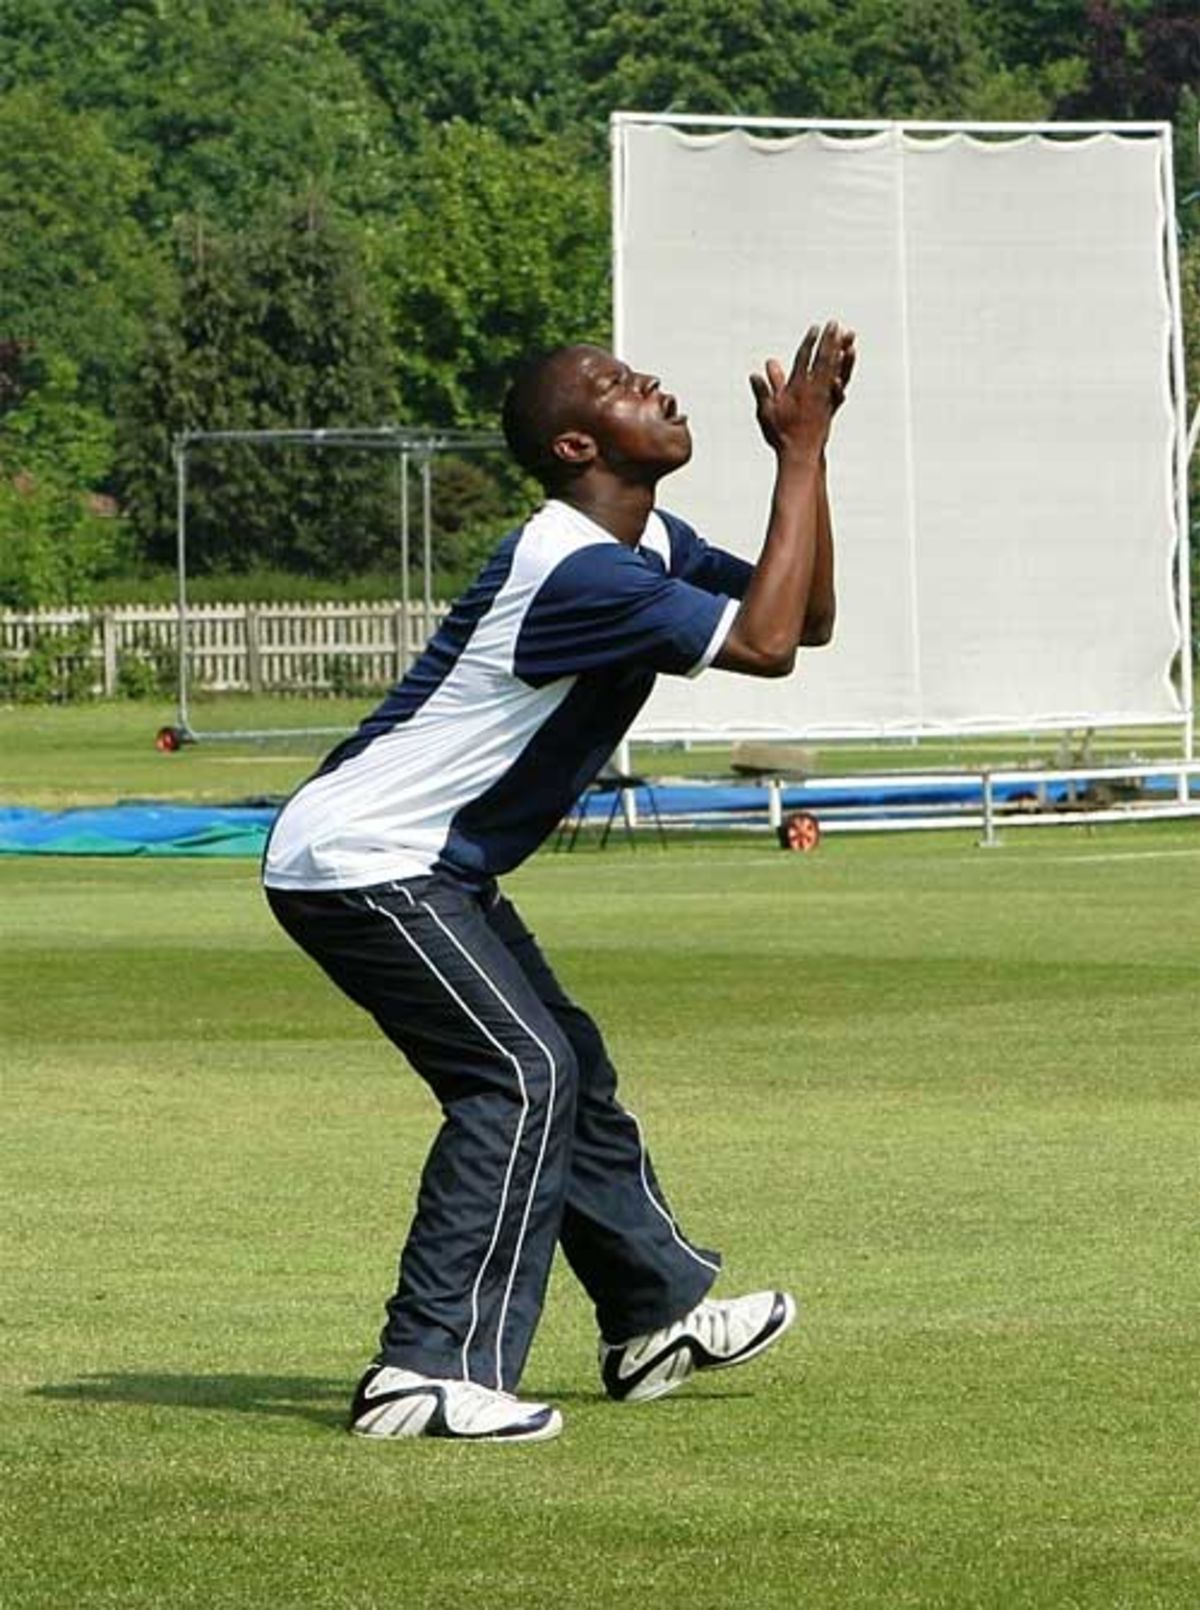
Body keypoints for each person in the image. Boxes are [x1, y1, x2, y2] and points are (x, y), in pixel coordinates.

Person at [262, 321, 856, 1443]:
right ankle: (423, 1370)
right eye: (616, 385)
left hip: (430, 861)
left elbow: (806, 618)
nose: (649, 381)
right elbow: (770, 645)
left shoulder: (646, 544)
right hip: (362, 858)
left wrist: (806, 460)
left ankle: (654, 1316)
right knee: (520, 1073)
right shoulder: (575, 567)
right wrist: (802, 454)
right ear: (580, 444)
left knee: (566, 1061)